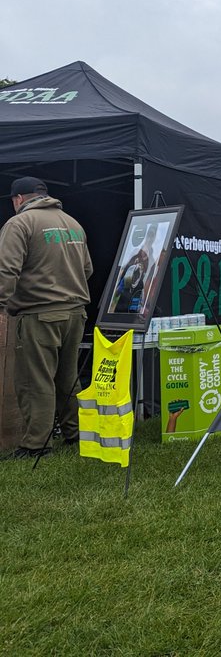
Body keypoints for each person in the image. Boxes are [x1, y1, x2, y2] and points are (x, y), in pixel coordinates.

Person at [0, 177, 93, 459]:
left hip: (39, 314)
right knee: (67, 378)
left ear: (17, 199)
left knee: (34, 380)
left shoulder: (19, 224)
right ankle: (76, 434)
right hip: (76, 313)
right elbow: (87, 269)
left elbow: (6, 270)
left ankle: (35, 446)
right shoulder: (73, 223)